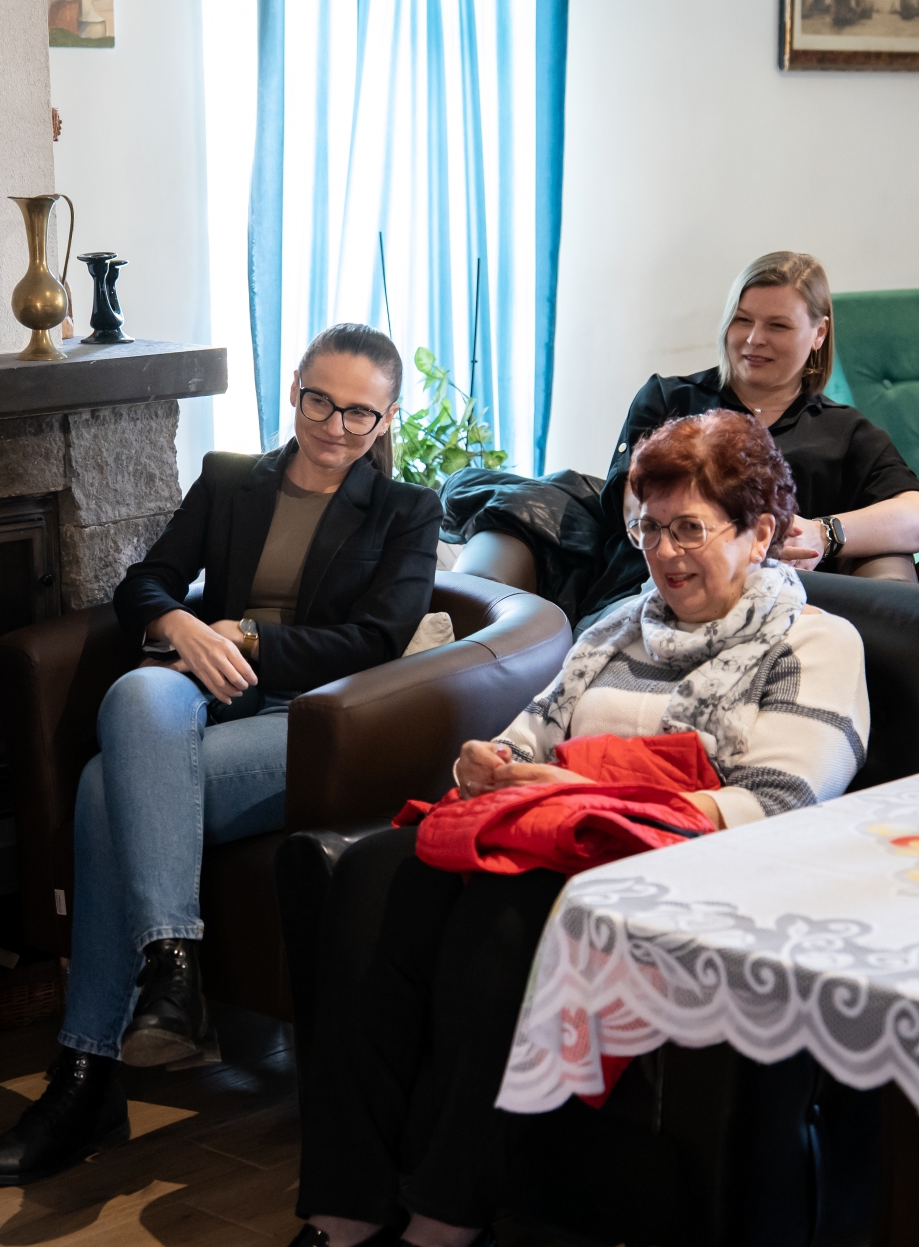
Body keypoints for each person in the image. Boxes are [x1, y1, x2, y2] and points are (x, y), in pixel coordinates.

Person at [290, 409, 868, 1247]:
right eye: (649, 529)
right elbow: (532, 734)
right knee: (374, 873)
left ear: (760, 532)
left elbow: (779, 804)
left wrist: (588, 789)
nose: (665, 552)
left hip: (691, 873)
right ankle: (345, 1209)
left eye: (690, 529)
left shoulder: (812, 641)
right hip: (559, 834)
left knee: (505, 909)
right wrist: (489, 761)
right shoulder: (616, 626)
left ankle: (445, 1219)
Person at [0, 323, 443, 1187]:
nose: (334, 426)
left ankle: (87, 1075)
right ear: (293, 386)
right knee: (135, 693)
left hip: (313, 720)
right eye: (319, 400)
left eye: (359, 414)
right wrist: (179, 623)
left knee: (105, 785)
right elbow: (144, 582)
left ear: (387, 419)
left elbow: (376, 639)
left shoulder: (407, 510)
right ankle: (171, 969)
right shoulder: (229, 479)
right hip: (209, 686)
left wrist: (250, 637)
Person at [581, 252, 919, 622]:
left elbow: (917, 518)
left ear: (819, 333)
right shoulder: (668, 399)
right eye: (742, 320)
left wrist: (822, 533)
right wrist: (737, 543)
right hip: (648, 598)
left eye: (778, 326)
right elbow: (633, 506)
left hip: (780, 615)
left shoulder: (844, 431)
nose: (754, 339)